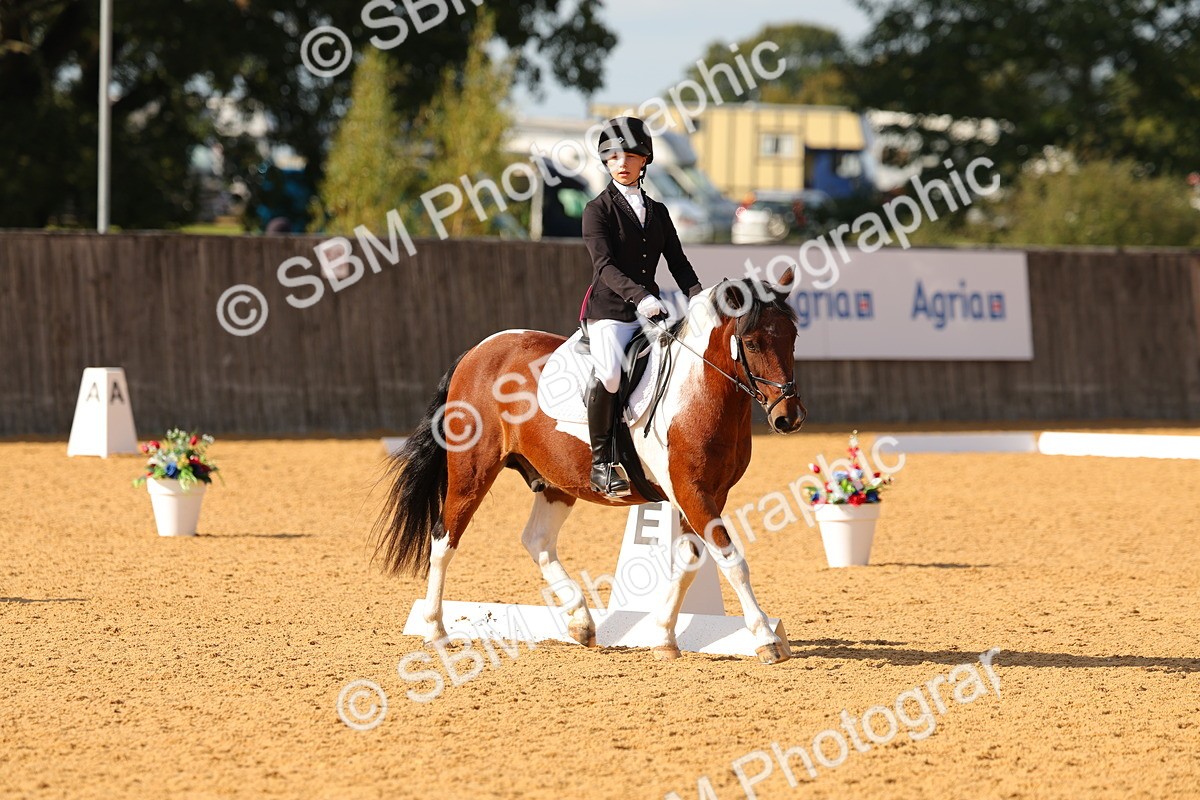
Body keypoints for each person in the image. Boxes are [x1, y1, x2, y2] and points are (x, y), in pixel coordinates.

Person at [579, 116, 704, 497]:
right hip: (610, 313)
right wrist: (641, 296)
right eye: (613, 156)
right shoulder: (597, 210)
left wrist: (698, 297)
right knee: (612, 376)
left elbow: (678, 263)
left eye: (630, 155)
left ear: (644, 160)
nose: (622, 162)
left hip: (651, 311)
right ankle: (602, 463)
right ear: (606, 162)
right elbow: (605, 267)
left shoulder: (659, 212)